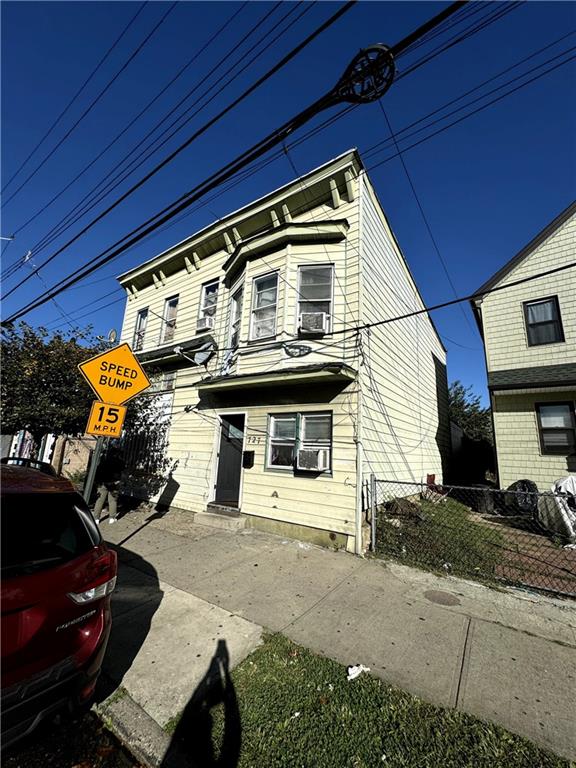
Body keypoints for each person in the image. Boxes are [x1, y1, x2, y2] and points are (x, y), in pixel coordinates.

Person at [93, 445, 125, 525]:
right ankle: (112, 518)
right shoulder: (120, 462)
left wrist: (98, 481)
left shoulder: (104, 461)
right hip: (114, 483)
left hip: (103, 482)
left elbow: (98, 471)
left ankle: (96, 518)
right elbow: (122, 472)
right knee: (112, 500)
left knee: (100, 500)